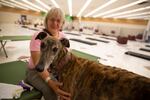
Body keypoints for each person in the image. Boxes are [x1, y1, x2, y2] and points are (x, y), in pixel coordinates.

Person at [25, 7, 71, 100]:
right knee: (51, 90)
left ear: (62, 23)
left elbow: (66, 57)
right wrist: (51, 83)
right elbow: (39, 65)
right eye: (52, 19)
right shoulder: (39, 36)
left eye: (58, 21)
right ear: (46, 20)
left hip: (54, 71)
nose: (55, 23)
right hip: (36, 71)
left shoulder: (62, 37)